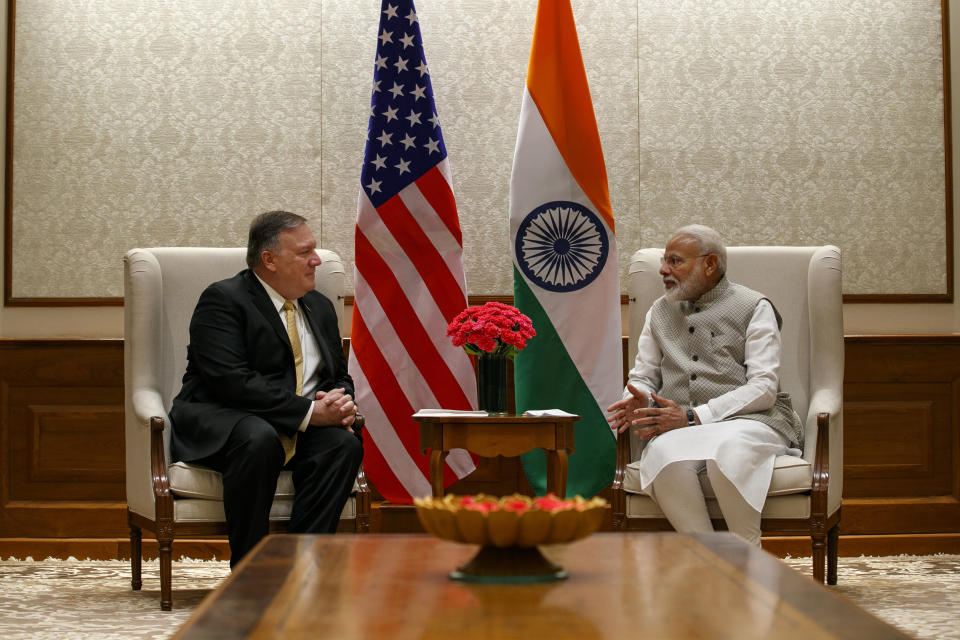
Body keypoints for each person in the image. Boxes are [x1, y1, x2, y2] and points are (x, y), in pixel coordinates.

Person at [170, 211, 363, 567]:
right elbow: (230, 380)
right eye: (305, 252)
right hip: (226, 417)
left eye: (314, 250)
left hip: (294, 422)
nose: (316, 260)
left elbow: (338, 374)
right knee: (259, 438)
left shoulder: (319, 306)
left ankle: (303, 566)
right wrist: (309, 413)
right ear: (269, 260)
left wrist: (339, 401)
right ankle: (250, 570)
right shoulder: (224, 300)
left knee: (342, 444)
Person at [606, 224, 802, 546]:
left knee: (729, 452)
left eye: (674, 261)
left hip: (752, 422)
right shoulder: (659, 311)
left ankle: (747, 553)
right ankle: (708, 556)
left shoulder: (754, 307)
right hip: (682, 428)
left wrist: (694, 416)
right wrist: (634, 397)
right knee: (664, 456)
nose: (663, 270)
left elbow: (764, 387)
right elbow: (643, 375)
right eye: (664, 261)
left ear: (709, 265)